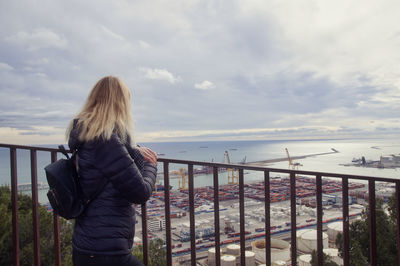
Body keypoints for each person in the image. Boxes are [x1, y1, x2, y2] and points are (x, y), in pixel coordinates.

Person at [66, 76, 158, 266]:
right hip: (105, 250)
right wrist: (151, 165)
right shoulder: (105, 142)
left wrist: (132, 149)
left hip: (88, 242)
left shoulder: (88, 136)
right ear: (120, 104)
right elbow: (140, 193)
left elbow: (109, 162)